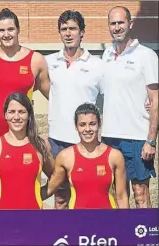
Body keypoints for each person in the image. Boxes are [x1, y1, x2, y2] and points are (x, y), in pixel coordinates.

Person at [44, 10, 106, 209]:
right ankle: (60, 237)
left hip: (86, 142)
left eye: (72, 28)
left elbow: (112, 98)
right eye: (64, 29)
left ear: (82, 33)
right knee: (60, 196)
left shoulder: (98, 65)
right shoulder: (49, 62)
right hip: (57, 140)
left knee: (87, 195)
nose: (68, 33)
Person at [100, 6, 158, 209]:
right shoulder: (106, 55)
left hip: (137, 137)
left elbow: (155, 99)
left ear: (130, 24)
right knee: (117, 192)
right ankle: (123, 236)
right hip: (109, 138)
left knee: (140, 193)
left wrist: (151, 140)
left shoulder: (147, 55)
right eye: (113, 23)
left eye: (120, 22)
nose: (116, 27)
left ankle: (148, 239)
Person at [0, 8, 50, 146]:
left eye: (11, 29)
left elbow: (51, 94)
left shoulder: (35, 60)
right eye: (1, 30)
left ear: (18, 30)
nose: (6, 34)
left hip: (22, 128)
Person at [41, 103, 129, 209]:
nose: (87, 129)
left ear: (99, 124)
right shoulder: (66, 157)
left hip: (107, 220)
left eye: (92, 124)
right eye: (82, 124)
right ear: (76, 126)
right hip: (77, 222)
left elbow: (121, 196)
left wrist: (125, 222)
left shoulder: (114, 156)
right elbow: (50, 189)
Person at [0, 92, 53, 210]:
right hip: (3, 218)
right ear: (5, 115)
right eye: (11, 112)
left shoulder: (41, 145)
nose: (16, 117)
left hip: (34, 217)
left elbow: (56, 176)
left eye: (22, 112)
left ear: (29, 114)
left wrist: (40, 195)